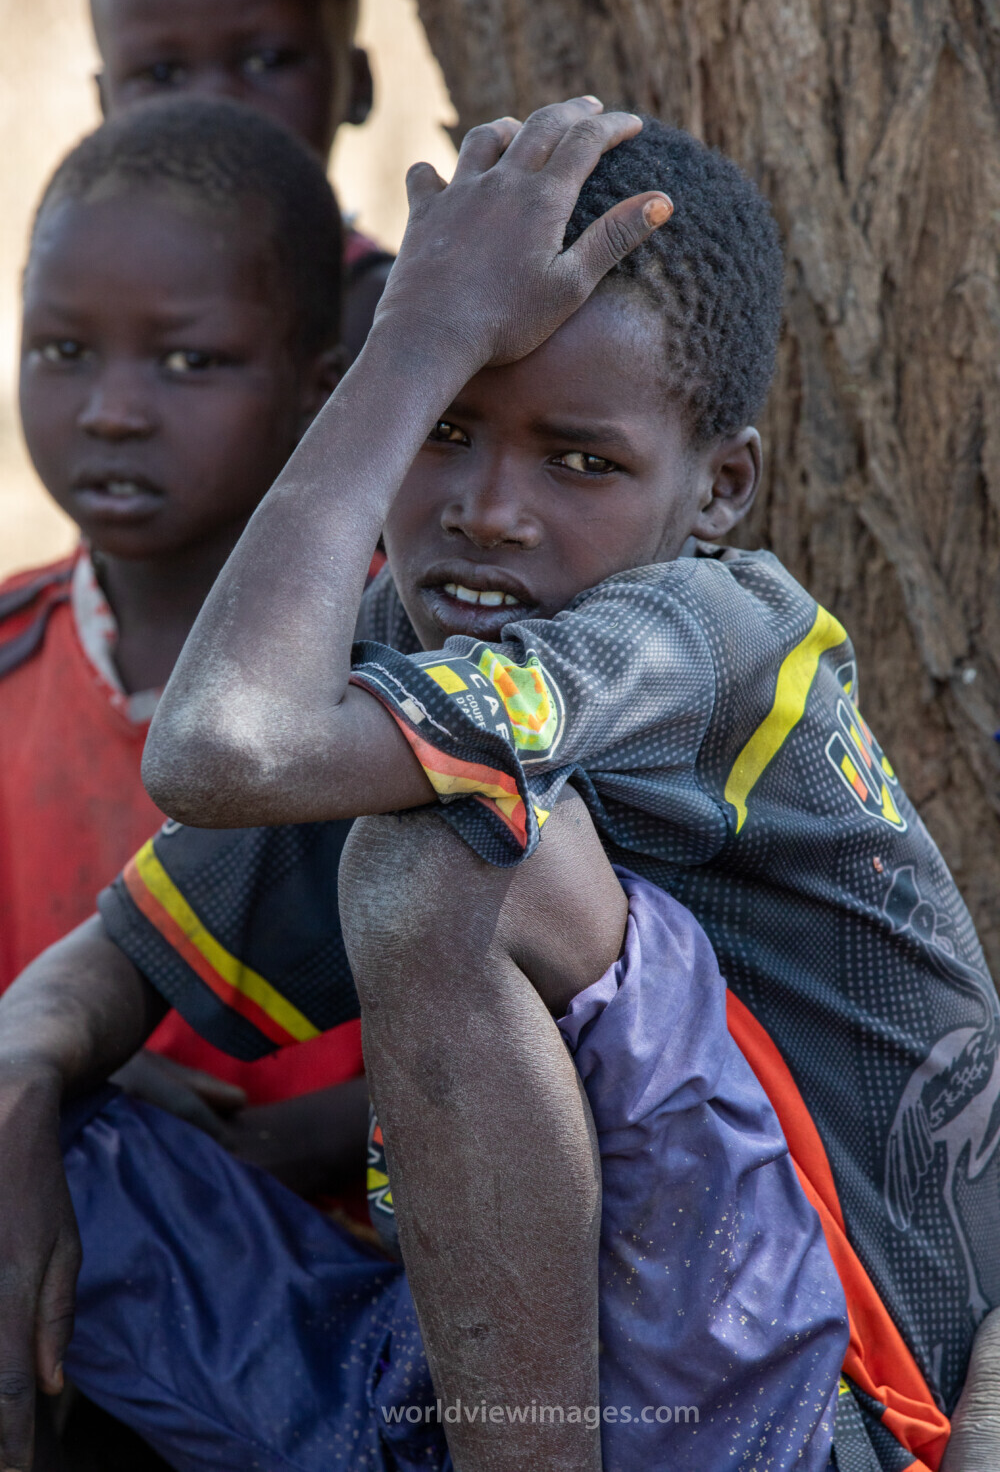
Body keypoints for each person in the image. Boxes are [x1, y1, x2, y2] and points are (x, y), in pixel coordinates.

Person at [140, 95, 1000, 1467]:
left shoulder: (703, 640)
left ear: (720, 491)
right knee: (79, 1162)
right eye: (447, 432)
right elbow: (95, 977)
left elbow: (214, 751)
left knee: (449, 860)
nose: (491, 508)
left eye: (582, 459)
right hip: (608, 1364)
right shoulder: (423, 644)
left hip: (844, 1397)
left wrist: (414, 352)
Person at [0, 98, 371, 1186]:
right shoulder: (15, 663)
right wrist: (64, 1071)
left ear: (321, 386)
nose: (112, 411)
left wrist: (261, 1155)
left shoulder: (409, 676)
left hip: (373, 1289)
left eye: (189, 362)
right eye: (63, 350)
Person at [88, 0, 394, 360]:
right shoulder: (82, 302)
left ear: (357, 84)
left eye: (266, 61)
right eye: (163, 73)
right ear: (104, 105)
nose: (215, 105)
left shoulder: (390, 322)